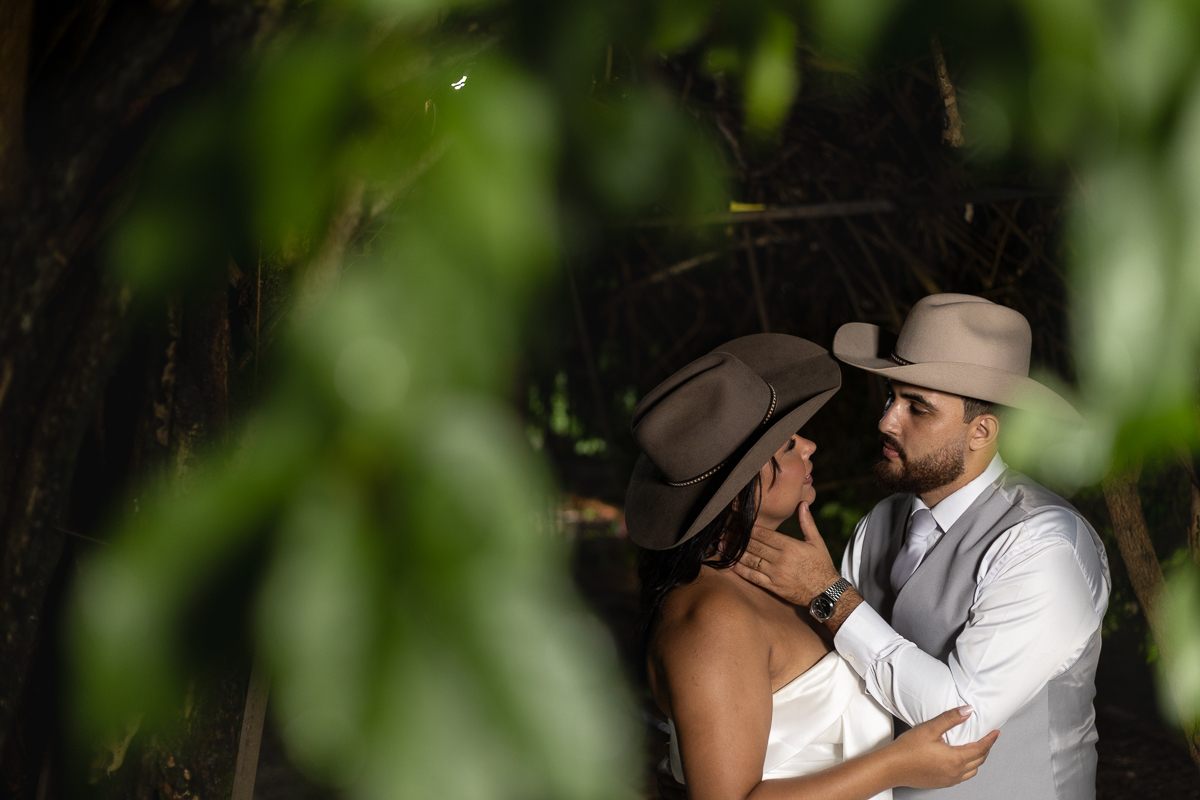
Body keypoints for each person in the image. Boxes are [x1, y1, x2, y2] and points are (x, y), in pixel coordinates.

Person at [734, 294, 1111, 800]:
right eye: (892, 397)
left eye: (918, 407)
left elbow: (958, 727)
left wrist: (831, 596)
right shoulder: (880, 524)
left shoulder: (1045, 546)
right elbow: (832, 684)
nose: (887, 421)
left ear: (980, 431)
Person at [627, 332, 998, 800]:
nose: (810, 446)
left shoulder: (785, 580)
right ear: (738, 487)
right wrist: (895, 765)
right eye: (787, 445)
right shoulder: (713, 619)